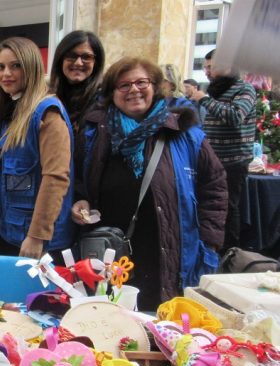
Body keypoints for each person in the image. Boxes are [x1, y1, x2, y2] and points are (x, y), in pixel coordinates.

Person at [72, 57, 227, 310]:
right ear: (112, 93)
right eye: (123, 85)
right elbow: (78, 178)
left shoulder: (185, 132)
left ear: (155, 86)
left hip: (166, 246)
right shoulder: (94, 132)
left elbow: (215, 187)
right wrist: (80, 200)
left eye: (141, 82)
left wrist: (209, 243)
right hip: (110, 250)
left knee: (160, 318)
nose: (133, 90)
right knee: (111, 319)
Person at [0, 37, 74, 260]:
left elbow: (56, 177)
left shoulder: (47, 112)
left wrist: (37, 236)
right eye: (1, 67)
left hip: (38, 241)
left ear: (31, 67)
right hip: (12, 231)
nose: (6, 74)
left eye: (15, 65)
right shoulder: (15, 109)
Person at [188, 49, 256, 251]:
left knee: (228, 208)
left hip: (233, 161)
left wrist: (204, 100)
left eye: (212, 67)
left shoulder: (245, 89)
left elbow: (235, 117)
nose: (207, 72)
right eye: (206, 67)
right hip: (212, 159)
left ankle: (229, 252)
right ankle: (209, 247)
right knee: (210, 204)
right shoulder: (217, 91)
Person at [49, 30, 105, 134]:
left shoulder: (105, 100)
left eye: (86, 57)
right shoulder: (47, 98)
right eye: (71, 55)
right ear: (61, 59)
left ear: (96, 63)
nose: (78, 63)